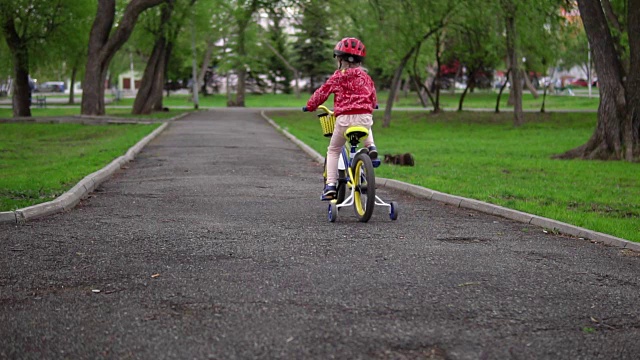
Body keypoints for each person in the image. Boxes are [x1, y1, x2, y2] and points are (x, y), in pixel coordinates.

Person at [304, 37, 378, 201]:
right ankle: (371, 146)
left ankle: (330, 185)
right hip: (365, 118)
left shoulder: (338, 77)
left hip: (344, 120)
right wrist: (374, 104)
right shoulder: (366, 77)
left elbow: (322, 93)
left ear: (339, 59)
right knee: (366, 123)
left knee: (334, 150)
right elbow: (372, 95)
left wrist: (310, 106)